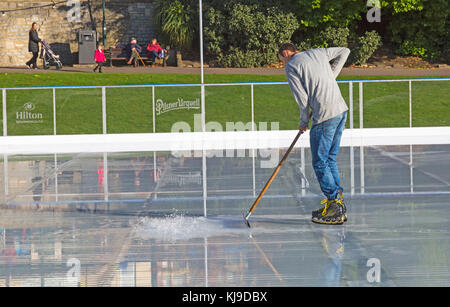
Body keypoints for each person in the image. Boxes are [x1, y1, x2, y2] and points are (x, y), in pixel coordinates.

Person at [278, 43, 350, 225]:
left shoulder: (292, 66)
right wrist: (331, 76)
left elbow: (302, 98)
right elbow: (345, 51)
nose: (282, 63)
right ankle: (337, 202)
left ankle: (335, 204)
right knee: (329, 159)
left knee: (319, 161)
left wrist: (303, 122)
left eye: (281, 59)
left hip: (324, 116)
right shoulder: (318, 52)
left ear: (286, 53)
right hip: (341, 111)